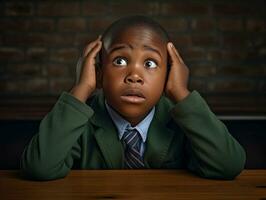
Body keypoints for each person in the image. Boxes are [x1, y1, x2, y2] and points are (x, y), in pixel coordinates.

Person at [21, 15, 246, 181]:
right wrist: (82, 87)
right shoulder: (79, 123)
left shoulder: (181, 121)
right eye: (120, 61)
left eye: (150, 64)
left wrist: (181, 93)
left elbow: (228, 164)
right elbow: (39, 167)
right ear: (98, 72)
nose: (134, 76)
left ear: (169, 74)